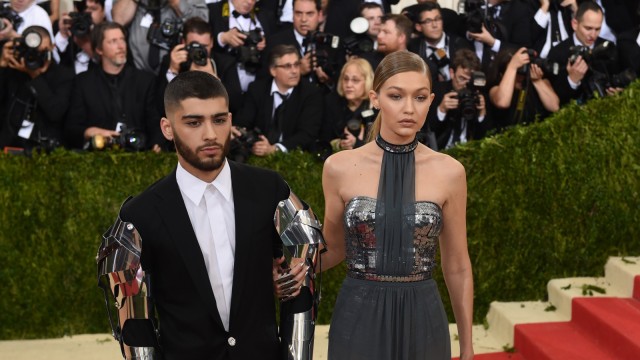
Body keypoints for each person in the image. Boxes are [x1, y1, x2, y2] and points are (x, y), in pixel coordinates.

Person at [115, 70, 306, 359]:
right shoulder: (141, 213)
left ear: (230, 120)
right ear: (167, 128)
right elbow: (135, 323)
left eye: (219, 120)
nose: (210, 134)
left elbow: (300, 275)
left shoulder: (269, 188)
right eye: (193, 122)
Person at [320, 50, 473, 360]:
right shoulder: (338, 167)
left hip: (423, 315)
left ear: (431, 100)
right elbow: (333, 249)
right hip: (358, 314)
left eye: (419, 98)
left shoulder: (450, 171)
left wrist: (468, 347)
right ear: (375, 98)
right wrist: (286, 268)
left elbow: (457, 265)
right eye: (395, 96)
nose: (408, 109)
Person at [64, 22, 163, 151]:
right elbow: (71, 128)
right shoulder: (83, 82)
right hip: (97, 156)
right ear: (99, 49)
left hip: (139, 155)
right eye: (113, 41)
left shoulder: (145, 81)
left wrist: (157, 145)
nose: (121, 46)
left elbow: (155, 122)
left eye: (122, 40)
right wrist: (91, 132)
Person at [234, 44, 323, 157]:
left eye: (296, 65)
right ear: (273, 70)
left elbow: (307, 134)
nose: (294, 71)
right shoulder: (257, 89)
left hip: (293, 157)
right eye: (287, 66)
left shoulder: (311, 93)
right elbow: (243, 122)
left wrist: (275, 149)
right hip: (256, 154)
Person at [0, 25, 74, 151]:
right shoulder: (13, 69)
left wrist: (35, 76)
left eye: (43, 52)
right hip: (9, 145)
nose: (37, 56)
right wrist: (2, 64)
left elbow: (55, 112)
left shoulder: (64, 75)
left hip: (44, 148)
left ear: (52, 47)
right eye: (33, 52)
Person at [111, 0, 208, 74]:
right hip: (137, 74)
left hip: (177, 73)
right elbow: (118, 19)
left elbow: (201, 27)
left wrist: (176, 3)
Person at [487, 47, 559, 130]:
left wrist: (537, 82)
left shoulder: (541, 82)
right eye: (517, 72)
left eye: (522, 69)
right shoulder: (494, 89)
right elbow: (502, 103)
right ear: (502, 74)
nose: (520, 77)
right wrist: (512, 66)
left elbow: (554, 107)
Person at [429, 48, 488, 150]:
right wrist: (441, 110)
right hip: (442, 152)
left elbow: (485, 137)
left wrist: (481, 114)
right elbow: (429, 130)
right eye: (462, 78)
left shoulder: (478, 95)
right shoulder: (438, 91)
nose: (466, 84)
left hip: (469, 152)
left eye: (470, 81)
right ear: (452, 73)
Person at [408, 2, 473, 83]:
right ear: (418, 27)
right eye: (428, 21)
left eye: (437, 19)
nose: (435, 25)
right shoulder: (413, 48)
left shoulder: (460, 44)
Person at [320, 58, 375, 152]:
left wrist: (357, 143)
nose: (348, 84)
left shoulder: (377, 108)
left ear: (367, 82)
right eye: (345, 79)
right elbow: (323, 139)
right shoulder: (331, 102)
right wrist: (339, 144)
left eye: (355, 80)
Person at [54, 0, 106, 74]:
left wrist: (85, 45)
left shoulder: (110, 33)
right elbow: (53, 62)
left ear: (103, 12)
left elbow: (110, 64)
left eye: (93, 9)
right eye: (84, 9)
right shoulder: (69, 29)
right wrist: (63, 35)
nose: (87, 13)